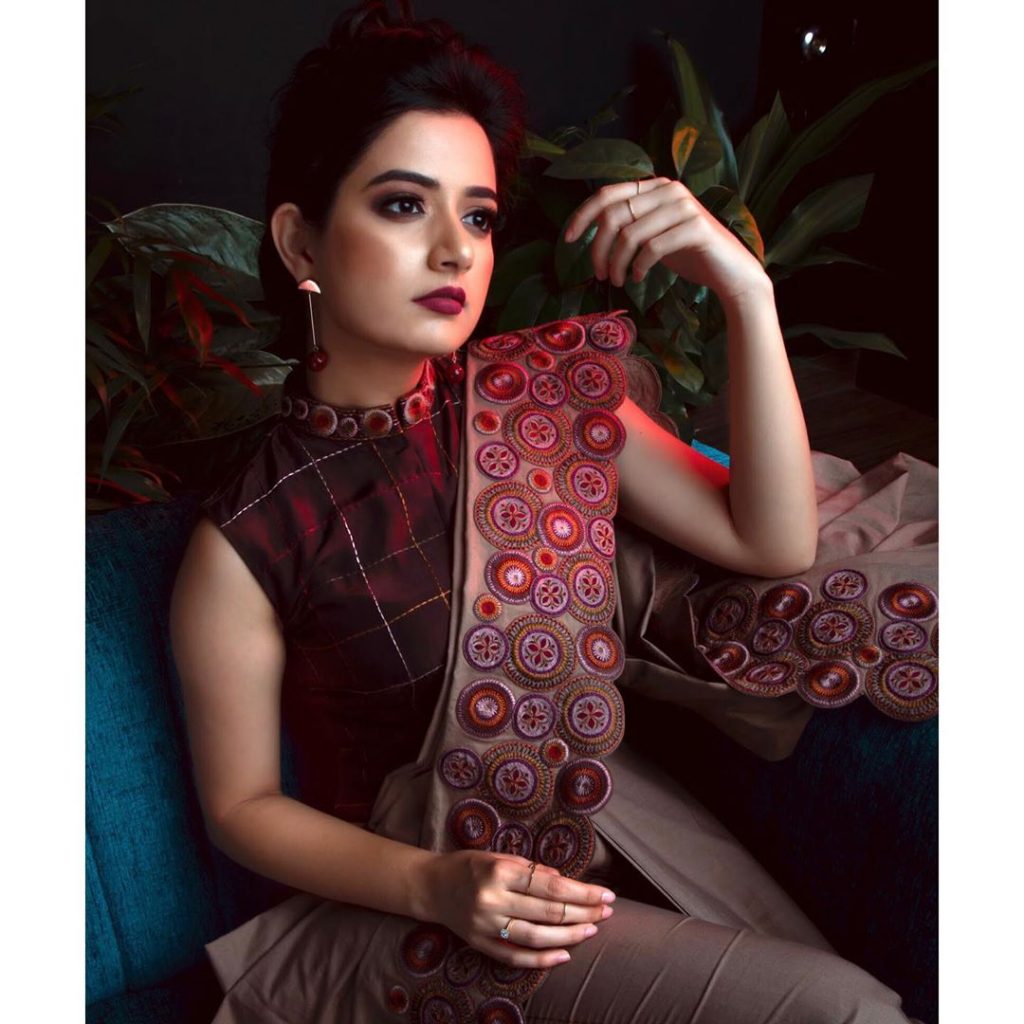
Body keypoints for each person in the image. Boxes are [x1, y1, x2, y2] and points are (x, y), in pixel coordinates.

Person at [170, 2, 935, 1021]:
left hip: (619, 828)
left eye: (479, 216)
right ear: (300, 240)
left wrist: (746, 292)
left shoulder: (542, 401)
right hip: (434, 899)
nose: (455, 250)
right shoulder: (249, 536)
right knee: (840, 1010)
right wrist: (432, 885)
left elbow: (771, 540)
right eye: (404, 205)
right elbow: (241, 806)